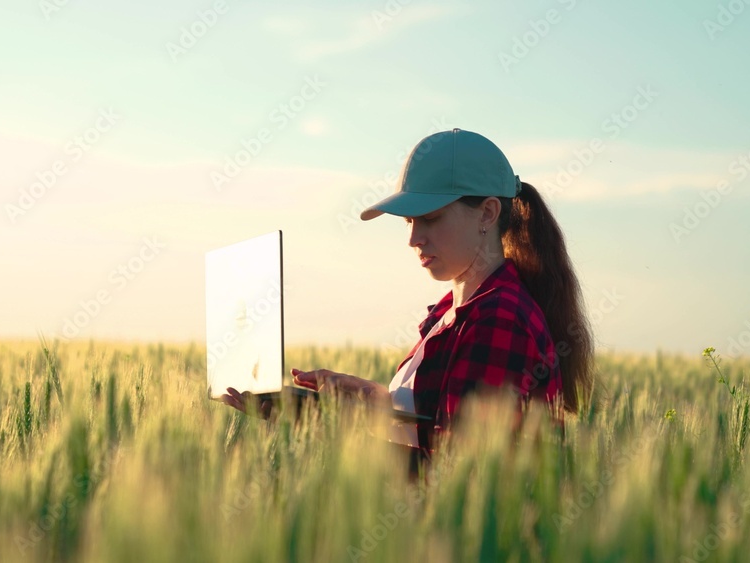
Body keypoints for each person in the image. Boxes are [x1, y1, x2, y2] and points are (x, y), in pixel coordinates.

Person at [221, 128, 594, 479]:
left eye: (430, 219)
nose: (414, 238)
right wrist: (375, 401)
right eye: (410, 221)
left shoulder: (500, 319)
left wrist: (336, 430)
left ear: (487, 213)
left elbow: (462, 480)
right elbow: (439, 428)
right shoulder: (454, 312)